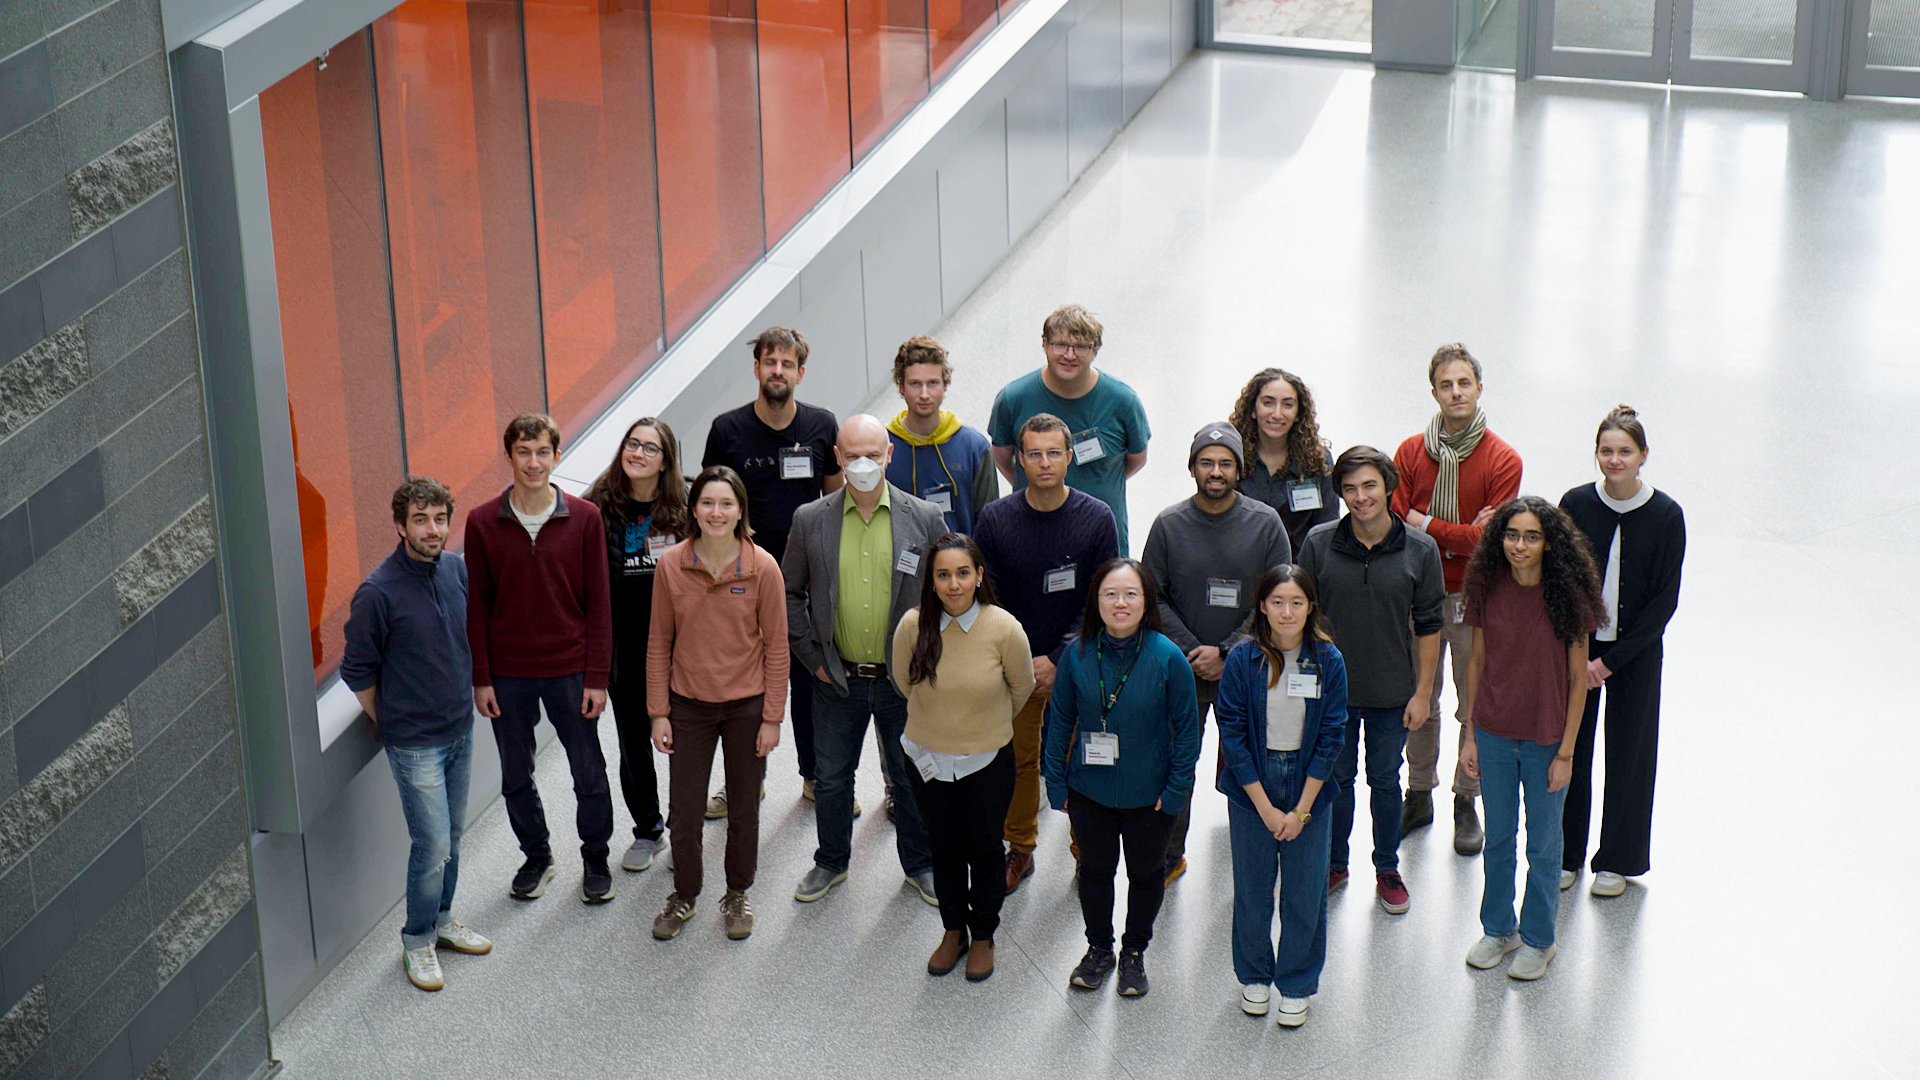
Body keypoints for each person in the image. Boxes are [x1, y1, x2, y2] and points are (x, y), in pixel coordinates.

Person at [784, 415, 946, 904]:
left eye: (872, 456)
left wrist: (927, 661)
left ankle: (920, 863)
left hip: (903, 682)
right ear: (837, 457)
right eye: (852, 455)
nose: (862, 465)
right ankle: (831, 861)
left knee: (909, 775)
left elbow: (947, 594)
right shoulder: (810, 519)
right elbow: (789, 593)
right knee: (832, 777)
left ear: (889, 455)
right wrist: (812, 657)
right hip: (836, 677)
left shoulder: (924, 518)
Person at [342, 477, 492, 991]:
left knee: (451, 837)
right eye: (421, 520)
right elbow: (357, 672)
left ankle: (443, 921)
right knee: (430, 845)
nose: (433, 529)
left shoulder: (454, 569)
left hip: (460, 730)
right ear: (400, 526)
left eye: (440, 519)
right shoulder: (377, 592)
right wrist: (393, 722)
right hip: (415, 745)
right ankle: (417, 940)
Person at [464, 415, 616, 904]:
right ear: (508, 455)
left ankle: (595, 859)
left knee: (587, 771)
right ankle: (538, 856)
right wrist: (481, 678)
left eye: (542, 452)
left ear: (556, 456)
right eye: (523, 451)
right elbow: (477, 607)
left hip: (571, 669)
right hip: (508, 675)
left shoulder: (586, 518)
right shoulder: (482, 522)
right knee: (515, 776)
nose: (533, 462)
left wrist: (597, 677)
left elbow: (599, 603)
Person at [1458, 496, 1604, 982]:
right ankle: (1499, 928)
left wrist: (1566, 752)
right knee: (1499, 839)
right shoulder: (1487, 587)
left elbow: (1577, 679)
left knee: (1544, 847)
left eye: (1531, 536)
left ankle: (1540, 939)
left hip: (1546, 741)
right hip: (1495, 735)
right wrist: (1470, 737)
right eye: (1512, 535)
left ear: (1550, 542)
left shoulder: (1568, 596)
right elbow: (1476, 663)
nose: (1519, 546)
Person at [973, 414, 1119, 893]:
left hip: (1079, 664)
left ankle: (1086, 852)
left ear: (1069, 457)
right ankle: (1020, 848)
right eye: (1033, 453)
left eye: (1054, 452)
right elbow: (987, 598)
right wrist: (1023, 661)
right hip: (1015, 668)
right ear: (1018, 459)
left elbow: (1102, 598)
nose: (1044, 463)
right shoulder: (996, 519)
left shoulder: (1096, 517)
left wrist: (1058, 657)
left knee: (1082, 760)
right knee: (1018, 762)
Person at [1041, 559, 1199, 998]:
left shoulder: (1168, 658)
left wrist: (1176, 792)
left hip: (1150, 796)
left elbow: (1188, 731)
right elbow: (1060, 720)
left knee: (1146, 875)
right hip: (1088, 790)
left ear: (1146, 601)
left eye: (1131, 593)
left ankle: (1134, 952)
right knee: (1094, 872)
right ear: (1096, 600)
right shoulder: (1076, 653)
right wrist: (1055, 780)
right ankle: (1099, 949)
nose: (1121, 603)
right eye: (1111, 594)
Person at [1141, 422, 1291, 886]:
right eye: (1206, 462)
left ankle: (1254, 853)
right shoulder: (1168, 524)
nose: (1216, 471)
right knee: (1175, 764)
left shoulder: (1265, 523)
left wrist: (1228, 651)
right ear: (1192, 468)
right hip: (1182, 672)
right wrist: (1193, 651)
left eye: (1226, 463)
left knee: (1247, 766)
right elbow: (1152, 595)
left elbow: (1280, 596)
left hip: (1246, 671)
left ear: (1239, 470)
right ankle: (1169, 854)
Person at [1297, 446, 1445, 914]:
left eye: (1369, 486)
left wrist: (1423, 694)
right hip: (1331, 695)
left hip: (1391, 693)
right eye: (1349, 489)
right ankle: (1334, 863)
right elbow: (1300, 617)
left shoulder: (1421, 549)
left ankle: (1386, 867)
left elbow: (1429, 625)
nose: (1360, 498)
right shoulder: (1319, 544)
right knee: (1334, 779)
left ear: (1388, 487)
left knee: (1384, 781)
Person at [702, 326, 842, 815]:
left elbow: (837, 499)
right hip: (743, 577)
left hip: (805, 581)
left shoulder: (823, 425)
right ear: (757, 368)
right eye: (770, 362)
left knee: (809, 681)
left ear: (800, 373)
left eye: (787, 364)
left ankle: (816, 777)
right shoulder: (727, 430)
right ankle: (745, 781)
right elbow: (710, 500)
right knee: (743, 685)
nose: (777, 371)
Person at [1391, 343, 1523, 855]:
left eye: (1464, 383)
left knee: (1474, 702)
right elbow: (1400, 526)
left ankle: (1466, 799)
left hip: (1477, 597)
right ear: (1434, 392)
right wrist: (1459, 532)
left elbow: (1493, 542)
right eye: (1446, 385)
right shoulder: (1408, 453)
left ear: (1478, 388)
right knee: (1420, 697)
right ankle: (1418, 792)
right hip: (1420, 595)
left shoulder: (1502, 458)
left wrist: (1428, 524)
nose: (1455, 392)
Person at [647, 467, 789, 941]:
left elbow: (777, 648)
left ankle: (737, 892)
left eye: (726, 503)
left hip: (746, 708)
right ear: (694, 509)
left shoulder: (762, 567)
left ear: (740, 510)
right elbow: (658, 642)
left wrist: (772, 718)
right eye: (707, 502)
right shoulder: (671, 565)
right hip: (688, 706)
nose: (716, 512)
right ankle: (685, 893)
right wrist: (658, 711)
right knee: (685, 813)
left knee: (744, 809)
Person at [893, 534, 1036, 983]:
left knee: (986, 851)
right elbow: (904, 683)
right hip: (927, 761)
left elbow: (1022, 689)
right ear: (931, 582)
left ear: (978, 577)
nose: (953, 584)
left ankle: (982, 936)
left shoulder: (1004, 628)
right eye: (943, 575)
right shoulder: (913, 627)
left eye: (962, 573)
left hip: (986, 764)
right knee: (945, 850)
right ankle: (952, 931)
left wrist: (980, 728)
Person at [1557, 406, 1685, 898]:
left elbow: (1663, 603)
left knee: (1630, 752)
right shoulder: (1575, 503)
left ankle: (1617, 858)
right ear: (1597, 454)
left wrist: (1609, 662)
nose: (1615, 460)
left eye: (1625, 452)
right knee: (1571, 748)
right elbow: (1561, 580)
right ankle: (1566, 854)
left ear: (1643, 456)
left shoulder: (1667, 516)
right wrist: (1580, 652)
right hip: (1576, 647)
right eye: (1606, 451)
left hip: (1635, 654)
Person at [1217, 565, 1348, 1028]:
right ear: (1262, 607)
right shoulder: (1242, 659)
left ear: (1311, 606)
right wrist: (1265, 806)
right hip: (1253, 781)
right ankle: (1254, 975)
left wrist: (1301, 810)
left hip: (1308, 783)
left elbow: (1332, 736)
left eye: (1296, 602)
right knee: (1252, 888)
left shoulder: (1328, 659)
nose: (1287, 612)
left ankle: (1295, 983)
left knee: (1305, 892)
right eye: (1277, 602)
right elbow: (1231, 735)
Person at [585, 417, 690, 874]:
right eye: (633, 444)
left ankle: (683, 826)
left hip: (679, 646)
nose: (639, 453)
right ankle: (648, 830)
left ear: (666, 461)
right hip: (623, 649)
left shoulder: (685, 506)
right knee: (633, 744)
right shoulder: (597, 505)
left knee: (684, 741)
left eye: (651, 448)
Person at [988, 305, 1150, 551]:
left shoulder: (1123, 401)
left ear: (1095, 351)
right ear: (1045, 344)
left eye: (1081, 347)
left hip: (1100, 539)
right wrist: (1038, 481)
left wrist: (1098, 481)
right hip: (1033, 534)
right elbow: (1002, 457)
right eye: (1060, 345)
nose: (1069, 355)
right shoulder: (1013, 398)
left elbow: (1137, 459)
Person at [886, 334, 999, 535]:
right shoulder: (882, 447)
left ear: (945, 385)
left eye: (932, 383)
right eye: (914, 384)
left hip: (962, 563)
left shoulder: (974, 447)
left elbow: (990, 525)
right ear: (901, 386)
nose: (924, 394)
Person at [1230, 368, 1337, 555]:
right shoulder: (1231, 458)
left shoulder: (1319, 462)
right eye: (1268, 403)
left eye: (1287, 405)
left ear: (1298, 414)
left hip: (1299, 574)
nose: (1277, 414)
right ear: (1253, 409)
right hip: (1240, 568)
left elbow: (1326, 531)